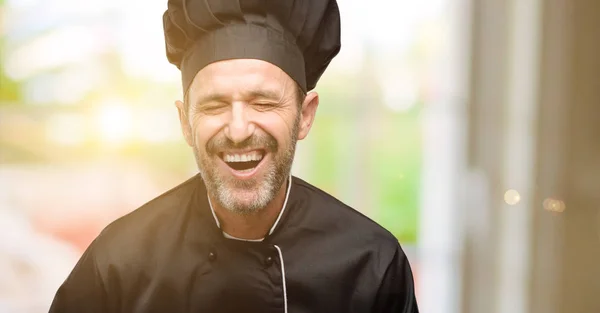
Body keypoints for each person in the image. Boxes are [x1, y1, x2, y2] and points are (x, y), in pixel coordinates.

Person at [49, 0, 420, 312]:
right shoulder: (119, 263)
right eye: (215, 105)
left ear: (305, 116)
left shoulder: (371, 265)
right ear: (185, 122)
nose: (239, 129)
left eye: (262, 102)